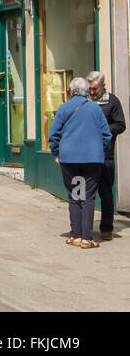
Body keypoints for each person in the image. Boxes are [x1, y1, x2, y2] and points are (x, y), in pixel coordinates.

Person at [49, 77, 112, 248]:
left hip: (70, 159)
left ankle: (75, 235)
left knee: (75, 195)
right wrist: (102, 151)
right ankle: (87, 238)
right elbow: (107, 135)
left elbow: (53, 134)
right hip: (92, 159)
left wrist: (56, 153)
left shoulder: (64, 108)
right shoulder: (95, 109)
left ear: (71, 91)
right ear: (86, 91)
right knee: (89, 197)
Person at [86, 71, 126, 241]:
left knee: (106, 193)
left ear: (103, 86)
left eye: (95, 89)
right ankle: (84, 228)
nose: (92, 92)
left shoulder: (112, 101)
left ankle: (107, 228)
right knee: (86, 193)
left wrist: (103, 130)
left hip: (105, 155)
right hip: (86, 155)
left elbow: (120, 124)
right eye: (90, 89)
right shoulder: (85, 102)